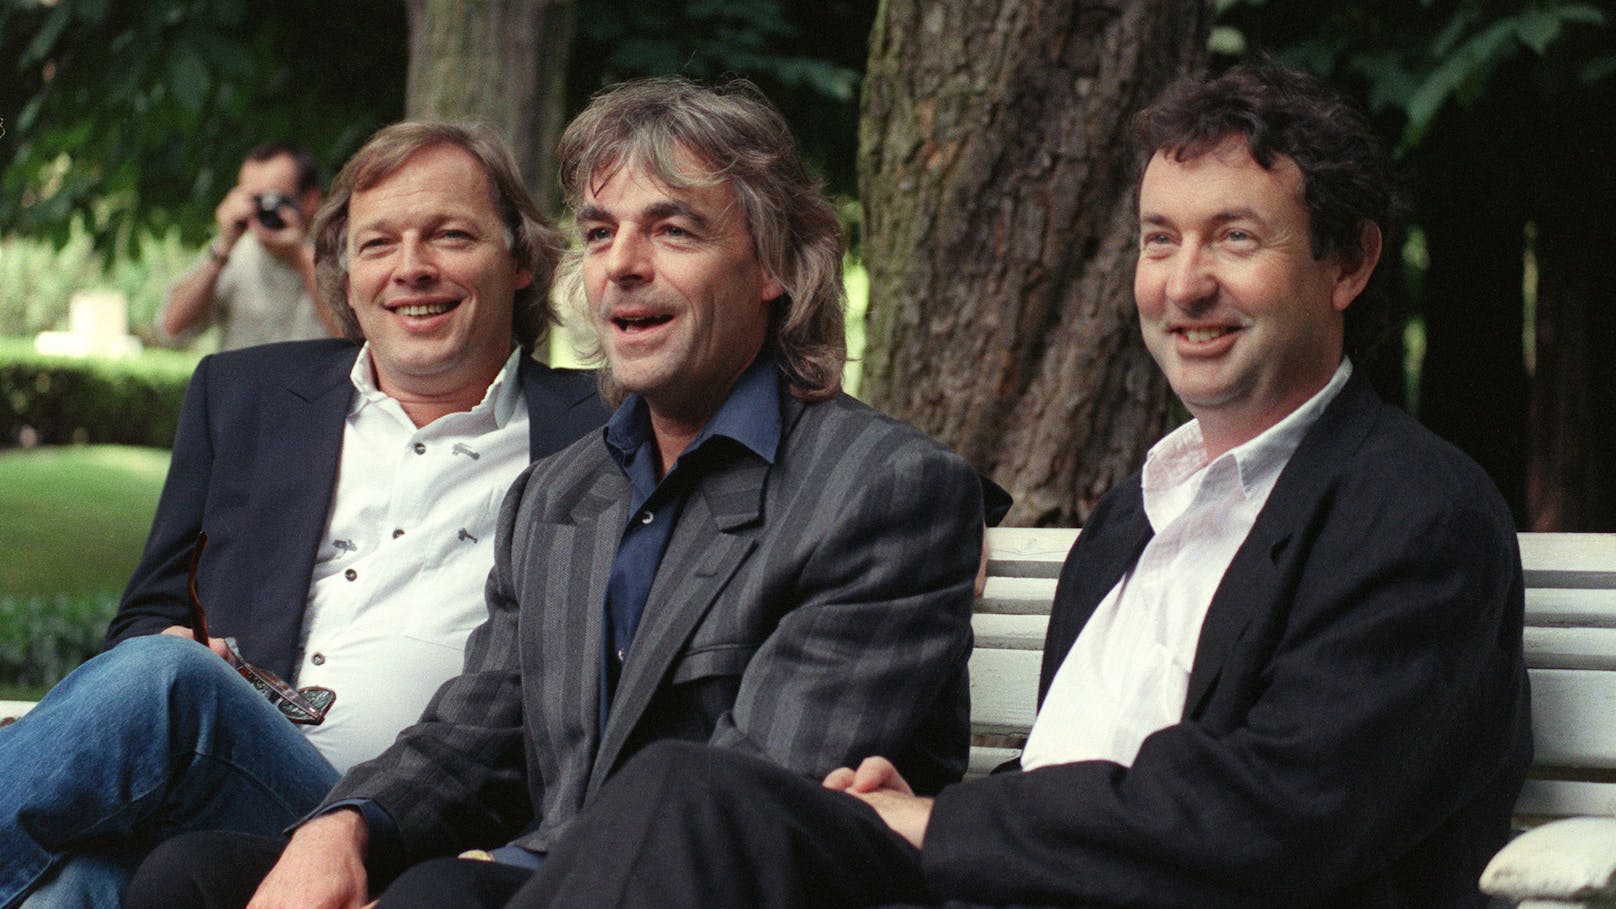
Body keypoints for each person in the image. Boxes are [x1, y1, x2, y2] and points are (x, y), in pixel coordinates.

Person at [499, 64, 1535, 909]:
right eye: (1158, 240)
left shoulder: (1411, 513)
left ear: (1346, 265)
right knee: (693, 806)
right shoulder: (1140, 517)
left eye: (1233, 238)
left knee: (684, 801)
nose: (1183, 285)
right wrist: (933, 803)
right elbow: (1085, 776)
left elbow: (1276, 812)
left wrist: (946, 824)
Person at [126, 76, 991, 909]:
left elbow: (741, 799)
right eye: (602, 230)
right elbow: (481, 730)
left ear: (772, 265)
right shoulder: (559, 493)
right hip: (534, 862)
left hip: (712, 879)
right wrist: (349, 827)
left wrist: (479, 864)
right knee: (193, 878)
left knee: (441, 893)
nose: (623, 264)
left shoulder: (885, 491)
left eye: (673, 231)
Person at [0, 122, 608, 909]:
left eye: (450, 236)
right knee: (77, 883)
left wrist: (169, 669)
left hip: (419, 829)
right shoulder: (243, 395)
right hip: (226, 794)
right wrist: (179, 641)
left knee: (167, 685)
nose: (411, 268)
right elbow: (148, 617)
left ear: (522, 260)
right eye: (377, 243)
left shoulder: (601, 434)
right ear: (346, 275)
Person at [159, 141, 339, 349]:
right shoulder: (234, 252)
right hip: (245, 382)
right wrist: (223, 246)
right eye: (254, 199)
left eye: (273, 199)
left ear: (310, 200)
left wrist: (301, 256)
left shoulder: (342, 250)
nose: (263, 210)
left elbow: (354, 340)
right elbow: (172, 329)